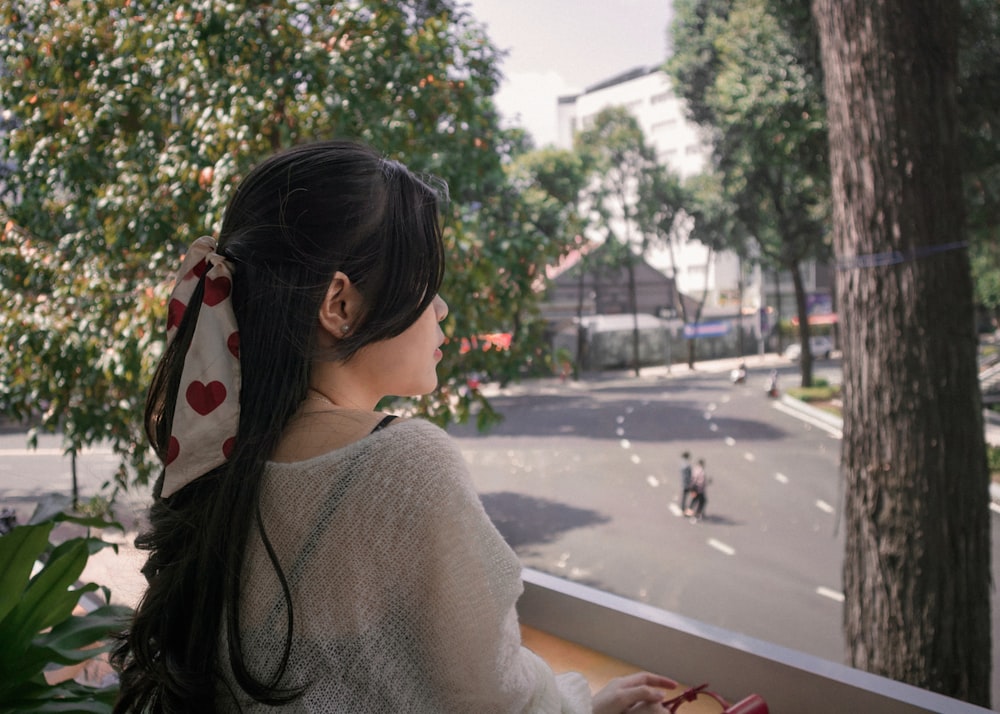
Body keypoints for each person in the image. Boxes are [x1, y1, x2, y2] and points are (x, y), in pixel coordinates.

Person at [111, 140, 675, 713]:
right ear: (340, 305)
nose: (442, 309)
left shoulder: (222, 454)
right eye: (424, 282)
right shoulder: (405, 464)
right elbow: (496, 695)